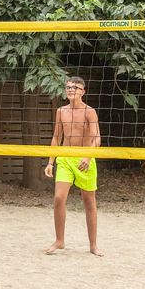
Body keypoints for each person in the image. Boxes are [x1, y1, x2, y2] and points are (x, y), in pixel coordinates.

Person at [43, 75, 102, 256]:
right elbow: (56, 137)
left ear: (83, 91)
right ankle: (59, 241)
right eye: (68, 87)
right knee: (59, 198)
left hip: (85, 158)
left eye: (74, 87)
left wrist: (88, 156)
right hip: (65, 158)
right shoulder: (61, 111)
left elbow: (96, 139)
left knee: (89, 201)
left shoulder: (89, 111)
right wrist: (50, 161)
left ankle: (93, 245)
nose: (70, 90)